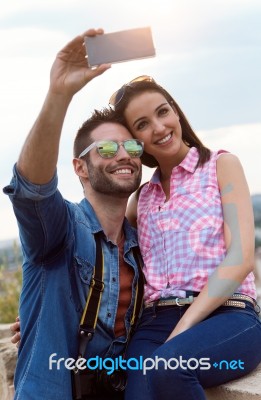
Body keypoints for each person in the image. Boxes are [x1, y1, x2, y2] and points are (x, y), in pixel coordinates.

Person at [3, 30, 144, 400]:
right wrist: (59, 94)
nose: (124, 155)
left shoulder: (141, 247)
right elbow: (32, 189)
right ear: (80, 168)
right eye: (108, 148)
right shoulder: (60, 230)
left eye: (131, 146)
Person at [110, 75, 261, 399]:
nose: (160, 127)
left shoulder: (222, 165)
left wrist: (183, 329)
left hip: (228, 314)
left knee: (168, 365)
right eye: (143, 124)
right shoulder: (141, 199)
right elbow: (108, 260)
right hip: (153, 325)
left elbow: (241, 258)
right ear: (135, 140)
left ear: (176, 112)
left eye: (163, 112)